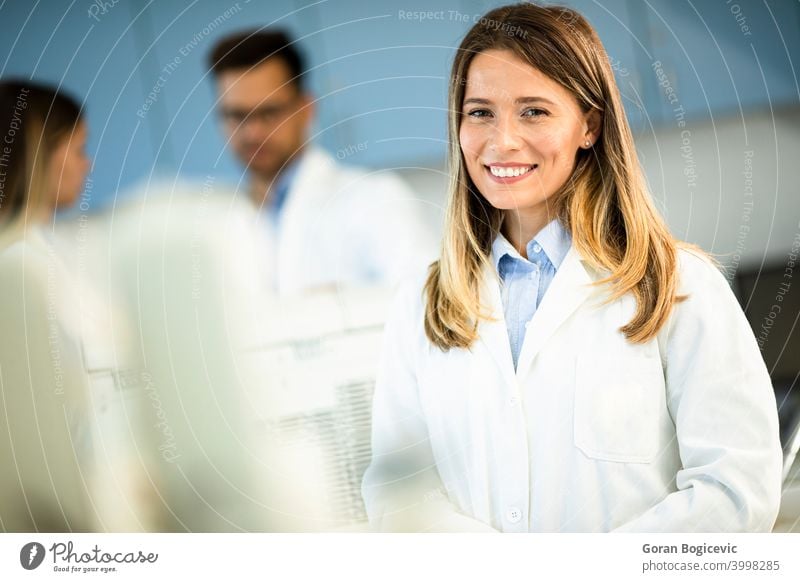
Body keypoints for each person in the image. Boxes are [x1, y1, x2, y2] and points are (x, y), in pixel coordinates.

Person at [361, 3, 783, 532]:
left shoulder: (680, 286)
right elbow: (397, 493)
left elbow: (736, 493)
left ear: (589, 124)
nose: (502, 140)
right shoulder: (422, 304)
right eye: (480, 111)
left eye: (533, 110)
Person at [207, 29, 437, 295]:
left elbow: (429, 302)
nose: (252, 132)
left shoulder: (376, 198)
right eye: (236, 116)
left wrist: (344, 306)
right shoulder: (222, 226)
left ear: (306, 110)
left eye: (268, 113)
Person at [0, 80, 95, 531]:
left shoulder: (40, 254)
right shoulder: (21, 271)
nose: (87, 165)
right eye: (78, 150)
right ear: (44, 154)